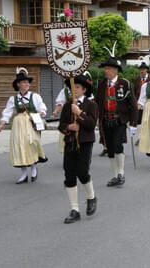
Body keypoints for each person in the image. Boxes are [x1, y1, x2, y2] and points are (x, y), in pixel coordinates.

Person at [59, 74, 98, 224]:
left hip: (85, 143)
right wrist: (69, 127)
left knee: (82, 172)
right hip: (70, 142)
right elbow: (61, 125)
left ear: (84, 89)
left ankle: (91, 197)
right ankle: (74, 209)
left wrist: (79, 113)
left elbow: (91, 124)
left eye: (77, 87)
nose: (74, 90)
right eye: (72, 88)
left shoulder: (91, 105)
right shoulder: (67, 105)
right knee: (69, 175)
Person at [0, 67, 48, 184]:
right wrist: (1, 124)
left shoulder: (35, 96)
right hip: (18, 125)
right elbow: (7, 112)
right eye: (24, 82)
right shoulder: (13, 99)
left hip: (31, 124)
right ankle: (24, 174)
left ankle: (34, 168)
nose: (27, 84)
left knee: (32, 144)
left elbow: (43, 109)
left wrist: (36, 115)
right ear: (18, 84)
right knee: (19, 147)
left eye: (27, 82)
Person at [96, 56, 138, 187]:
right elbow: (97, 103)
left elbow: (133, 105)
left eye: (108, 68)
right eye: (105, 68)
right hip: (105, 120)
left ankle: (121, 173)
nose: (105, 71)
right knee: (110, 148)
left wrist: (133, 124)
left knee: (118, 145)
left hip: (119, 120)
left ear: (115, 70)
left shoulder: (125, 84)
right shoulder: (102, 84)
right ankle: (115, 176)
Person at [133, 61, 150, 146]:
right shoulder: (136, 79)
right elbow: (134, 91)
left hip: (148, 103)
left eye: (143, 69)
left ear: (147, 70)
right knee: (139, 121)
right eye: (140, 69)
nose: (142, 71)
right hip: (139, 103)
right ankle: (140, 138)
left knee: (147, 121)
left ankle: (147, 138)